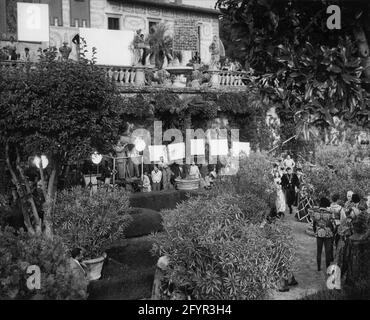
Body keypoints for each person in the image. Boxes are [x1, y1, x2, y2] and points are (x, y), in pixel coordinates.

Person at [309, 198, 335, 271]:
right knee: (327, 252)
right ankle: (327, 268)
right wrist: (332, 232)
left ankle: (318, 268)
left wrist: (315, 231)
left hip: (319, 233)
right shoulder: (330, 213)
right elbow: (333, 224)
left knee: (319, 251)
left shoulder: (315, 212)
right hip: (328, 234)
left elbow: (314, 224)